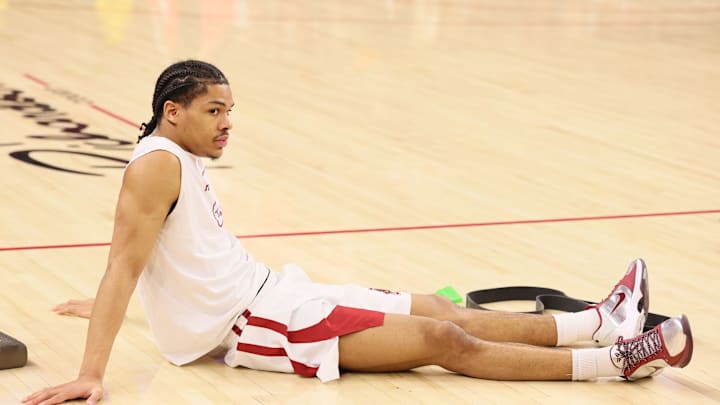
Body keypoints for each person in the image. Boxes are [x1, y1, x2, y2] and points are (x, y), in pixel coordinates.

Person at [23, 60, 693, 405]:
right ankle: (614, 361)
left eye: (231, 110)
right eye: (214, 111)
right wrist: (90, 369)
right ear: (172, 112)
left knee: (435, 305)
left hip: (273, 290)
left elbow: (158, 258)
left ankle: (600, 322)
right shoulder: (159, 164)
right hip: (253, 322)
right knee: (442, 338)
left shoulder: (174, 150)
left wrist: (129, 299)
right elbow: (124, 260)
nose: (228, 123)